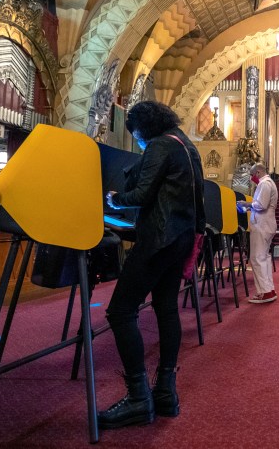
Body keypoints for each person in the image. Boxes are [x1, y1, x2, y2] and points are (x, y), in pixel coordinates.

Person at [99, 101, 205, 429]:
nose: (139, 142)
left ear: (143, 127)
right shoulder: (188, 146)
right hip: (182, 239)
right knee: (166, 308)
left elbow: (143, 193)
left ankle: (137, 398)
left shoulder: (160, 145)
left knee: (120, 311)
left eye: (137, 136)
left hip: (158, 239)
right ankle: (164, 392)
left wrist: (115, 199)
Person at [237, 163, 278, 303]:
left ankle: (264, 292)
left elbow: (261, 205)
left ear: (258, 172)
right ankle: (269, 290)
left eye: (252, 175)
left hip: (262, 225)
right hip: (266, 224)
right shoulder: (268, 183)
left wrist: (246, 204)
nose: (251, 178)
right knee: (264, 258)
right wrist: (250, 207)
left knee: (257, 258)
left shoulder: (264, 184)